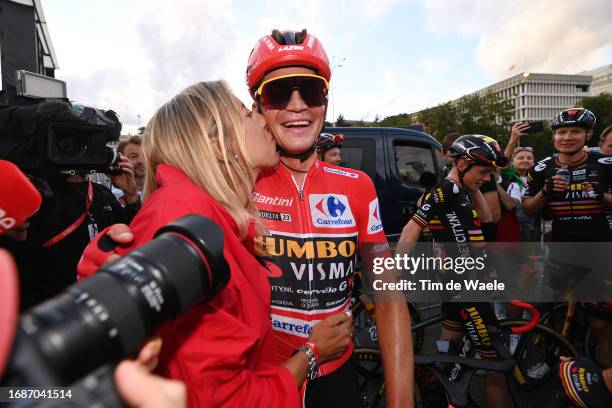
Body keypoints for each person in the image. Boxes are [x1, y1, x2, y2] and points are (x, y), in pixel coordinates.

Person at [79, 80, 352, 407]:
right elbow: (226, 400)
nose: (262, 117)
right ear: (218, 144)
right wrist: (312, 354)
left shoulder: (205, 216)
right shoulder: (186, 218)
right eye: (245, 114)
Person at [246, 29, 412, 407]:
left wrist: (401, 402)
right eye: (278, 93)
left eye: (310, 89)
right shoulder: (237, 185)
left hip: (337, 378)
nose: (297, 104)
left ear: (325, 99)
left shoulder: (358, 186)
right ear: (257, 109)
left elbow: (387, 296)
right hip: (261, 380)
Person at [397, 134, 513, 408]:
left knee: (448, 348)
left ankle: (444, 395)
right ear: (461, 164)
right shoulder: (442, 191)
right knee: (497, 365)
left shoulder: (461, 193)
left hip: (461, 288)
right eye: (483, 172)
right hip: (467, 290)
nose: (486, 178)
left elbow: (487, 218)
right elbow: (410, 230)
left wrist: (474, 187)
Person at [523, 108, 612, 368]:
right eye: (561, 132)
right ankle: (555, 366)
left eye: (575, 131)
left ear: (588, 134)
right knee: (555, 314)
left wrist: (602, 197)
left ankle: (601, 383)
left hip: (600, 253)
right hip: (561, 252)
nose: (567, 137)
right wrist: (545, 192)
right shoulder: (542, 168)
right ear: (554, 137)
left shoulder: (605, 164)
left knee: (601, 325)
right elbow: (528, 208)